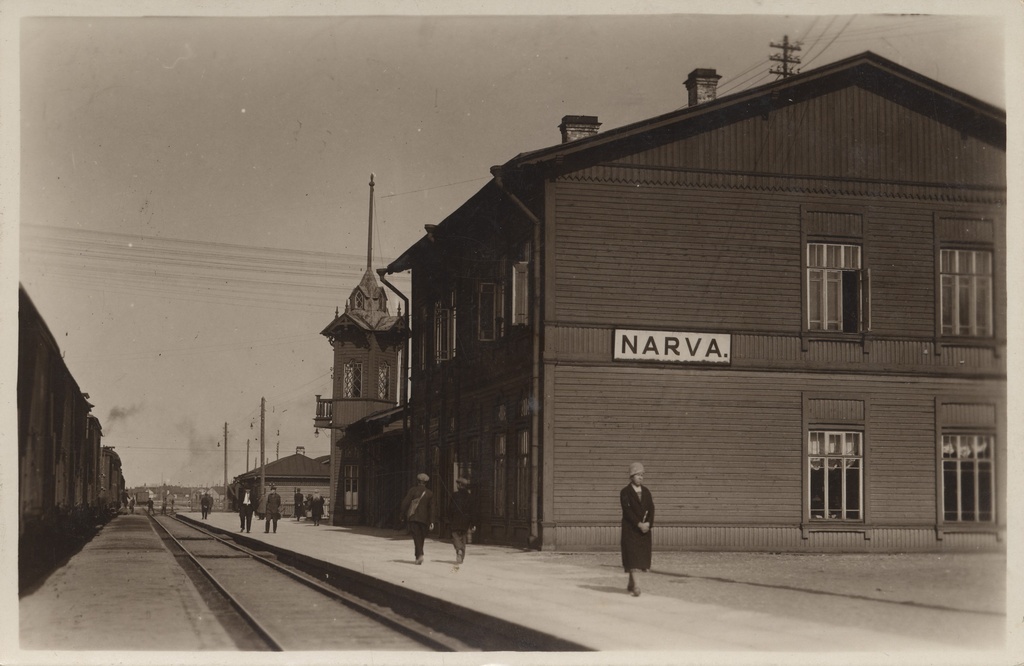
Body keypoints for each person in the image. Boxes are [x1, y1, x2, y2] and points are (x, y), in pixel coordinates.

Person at [620, 462, 655, 597]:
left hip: (644, 531)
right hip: (631, 530)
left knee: (638, 558)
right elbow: (627, 511)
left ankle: (631, 583)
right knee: (632, 556)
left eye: (642, 475)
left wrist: (648, 524)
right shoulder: (625, 492)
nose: (641, 477)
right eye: (638, 475)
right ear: (631, 476)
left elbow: (651, 509)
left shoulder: (646, 492)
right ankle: (637, 586)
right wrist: (638, 523)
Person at [399, 473, 435, 565]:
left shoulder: (413, 491)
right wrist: (431, 521)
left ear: (418, 481)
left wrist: (402, 514)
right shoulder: (430, 493)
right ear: (426, 482)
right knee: (421, 538)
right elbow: (432, 508)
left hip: (414, 517)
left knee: (416, 537)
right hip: (425, 520)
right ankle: (418, 556)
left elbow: (405, 503)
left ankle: (420, 555)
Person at [448, 477, 478, 565]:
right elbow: (473, 511)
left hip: (455, 520)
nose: (457, 485)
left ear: (461, 485)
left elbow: (450, 508)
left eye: (458, 484)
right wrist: (473, 524)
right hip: (466, 521)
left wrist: (450, 518)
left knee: (455, 536)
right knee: (463, 538)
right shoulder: (470, 497)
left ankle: (459, 550)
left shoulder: (455, 495)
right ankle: (461, 556)